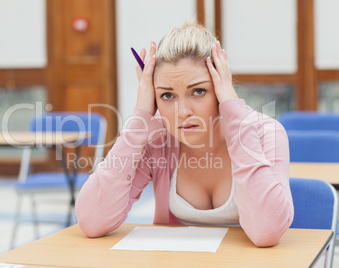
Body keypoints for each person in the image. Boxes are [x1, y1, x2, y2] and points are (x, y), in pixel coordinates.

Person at [75, 22, 293, 247]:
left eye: (198, 91)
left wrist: (234, 112)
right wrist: (138, 123)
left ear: (220, 88)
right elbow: (92, 222)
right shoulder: (157, 139)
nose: (183, 113)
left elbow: (266, 232)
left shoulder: (265, 132)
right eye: (167, 96)